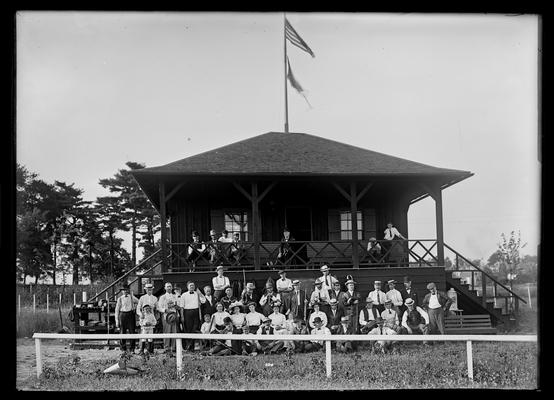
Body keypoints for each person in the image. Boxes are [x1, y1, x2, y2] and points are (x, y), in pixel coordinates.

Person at [179, 281, 206, 351]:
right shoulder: (184, 295)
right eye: (190, 285)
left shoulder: (197, 294)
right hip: (187, 313)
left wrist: (200, 294)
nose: (192, 287)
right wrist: (182, 316)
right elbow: (181, 307)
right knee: (188, 330)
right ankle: (188, 347)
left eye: (193, 285)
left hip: (196, 312)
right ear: (187, 287)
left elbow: (204, 301)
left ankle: (192, 346)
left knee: (195, 329)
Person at [115, 284, 139, 354]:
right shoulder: (120, 299)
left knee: (132, 332)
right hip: (123, 315)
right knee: (122, 332)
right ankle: (123, 349)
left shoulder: (132, 297)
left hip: (130, 315)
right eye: (124, 290)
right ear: (122, 291)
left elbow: (139, 302)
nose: (125, 291)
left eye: (126, 290)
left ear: (128, 290)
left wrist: (136, 307)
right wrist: (117, 320)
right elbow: (117, 310)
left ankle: (132, 349)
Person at [157, 282, 179, 354]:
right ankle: (166, 347)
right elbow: (159, 307)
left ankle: (174, 347)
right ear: (165, 288)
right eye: (167, 287)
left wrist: (176, 307)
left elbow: (178, 305)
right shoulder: (162, 297)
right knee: (167, 331)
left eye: (170, 286)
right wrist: (165, 310)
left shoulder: (175, 296)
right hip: (166, 316)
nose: (169, 288)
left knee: (174, 331)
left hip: (174, 315)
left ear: (172, 288)